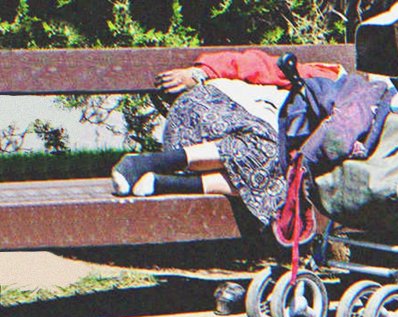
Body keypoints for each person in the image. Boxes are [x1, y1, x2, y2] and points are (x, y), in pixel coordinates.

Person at [111, 49, 342, 227]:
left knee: (284, 182)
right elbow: (257, 64)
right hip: (207, 113)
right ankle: (142, 163)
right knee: (267, 151)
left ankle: (160, 182)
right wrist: (200, 73)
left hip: (219, 160)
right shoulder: (330, 79)